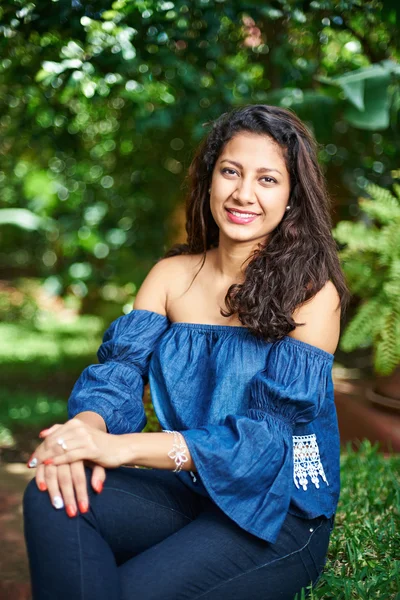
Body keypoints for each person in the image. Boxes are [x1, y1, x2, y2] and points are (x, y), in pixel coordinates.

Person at [23, 104, 349, 600]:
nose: (243, 194)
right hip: (197, 492)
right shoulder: (171, 277)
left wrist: (122, 448)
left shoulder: (311, 294)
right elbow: (119, 373)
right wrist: (83, 432)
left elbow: (261, 445)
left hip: (279, 512)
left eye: (267, 179)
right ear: (210, 179)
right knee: (51, 492)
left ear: (292, 197)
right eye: (231, 172)